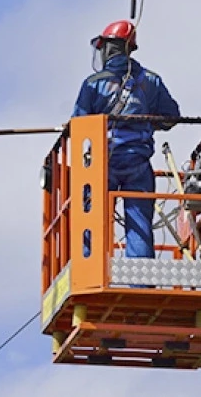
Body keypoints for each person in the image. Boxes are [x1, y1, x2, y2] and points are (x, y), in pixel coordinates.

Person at [71, 20, 181, 260]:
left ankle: (90, 266)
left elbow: (77, 126)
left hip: (103, 164)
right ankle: (141, 279)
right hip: (138, 163)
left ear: (109, 48)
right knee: (139, 225)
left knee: (93, 218)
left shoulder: (93, 84)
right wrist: (149, 120)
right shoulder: (151, 81)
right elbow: (171, 117)